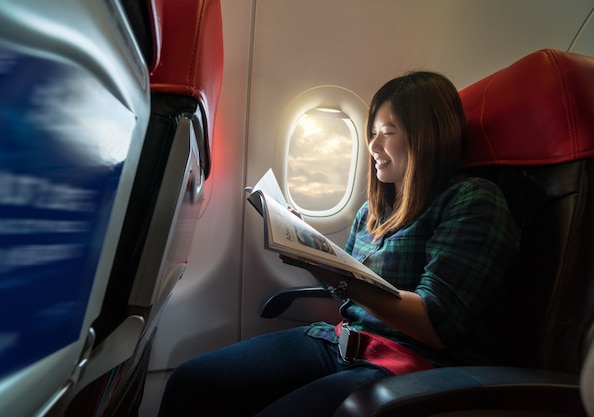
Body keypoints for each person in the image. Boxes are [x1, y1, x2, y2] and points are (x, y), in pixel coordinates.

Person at [156, 71, 521, 417]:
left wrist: (322, 266)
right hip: (339, 342)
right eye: (372, 132)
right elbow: (353, 298)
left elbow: (435, 323)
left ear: (428, 136)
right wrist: (309, 248)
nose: (373, 145)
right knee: (192, 383)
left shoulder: (472, 201)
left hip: (409, 365)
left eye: (388, 132)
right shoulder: (370, 212)